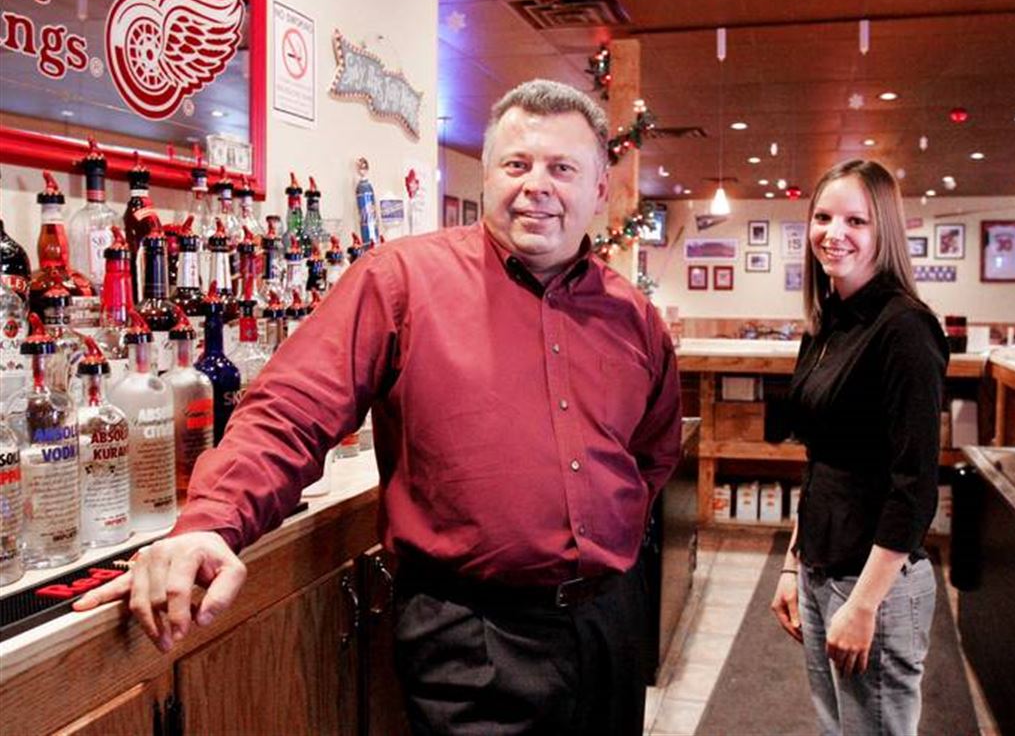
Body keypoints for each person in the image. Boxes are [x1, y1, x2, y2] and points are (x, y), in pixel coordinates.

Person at [75, 79, 682, 735]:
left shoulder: (634, 317)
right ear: (487, 177)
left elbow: (652, 455)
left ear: (598, 189)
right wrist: (211, 522)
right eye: (517, 164)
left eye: (562, 168)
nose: (537, 186)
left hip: (610, 625)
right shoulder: (401, 281)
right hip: (475, 642)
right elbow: (290, 410)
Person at [769, 159, 948, 735]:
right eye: (822, 217)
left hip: (875, 583)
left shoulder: (905, 328)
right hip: (821, 567)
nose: (833, 233)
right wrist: (793, 564)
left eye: (855, 221)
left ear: (884, 230)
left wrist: (866, 603)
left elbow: (914, 485)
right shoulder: (826, 324)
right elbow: (819, 461)